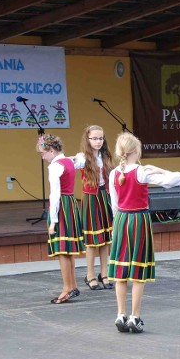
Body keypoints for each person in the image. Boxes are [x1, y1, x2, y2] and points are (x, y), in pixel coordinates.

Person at [108, 132, 180, 333]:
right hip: (139, 220)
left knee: (121, 269)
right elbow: (169, 181)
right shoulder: (141, 171)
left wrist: (115, 225)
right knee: (138, 270)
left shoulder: (113, 174)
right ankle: (135, 316)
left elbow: (114, 204)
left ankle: (120, 314)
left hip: (121, 219)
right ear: (136, 151)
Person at [37, 134, 84, 304]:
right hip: (71, 203)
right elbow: (82, 158)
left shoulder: (55, 167)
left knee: (62, 250)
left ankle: (67, 288)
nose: (43, 157)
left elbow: (55, 195)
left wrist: (53, 220)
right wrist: (71, 157)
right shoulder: (70, 162)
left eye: (44, 153)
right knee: (68, 250)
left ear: (51, 150)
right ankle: (72, 285)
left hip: (62, 206)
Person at [72, 125, 114, 291]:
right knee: (92, 241)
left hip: (105, 196)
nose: (98, 141)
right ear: (87, 140)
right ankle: (89, 274)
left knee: (105, 239)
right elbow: (72, 163)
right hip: (91, 198)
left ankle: (104, 273)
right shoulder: (83, 157)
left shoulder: (105, 156)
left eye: (100, 138)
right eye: (94, 138)